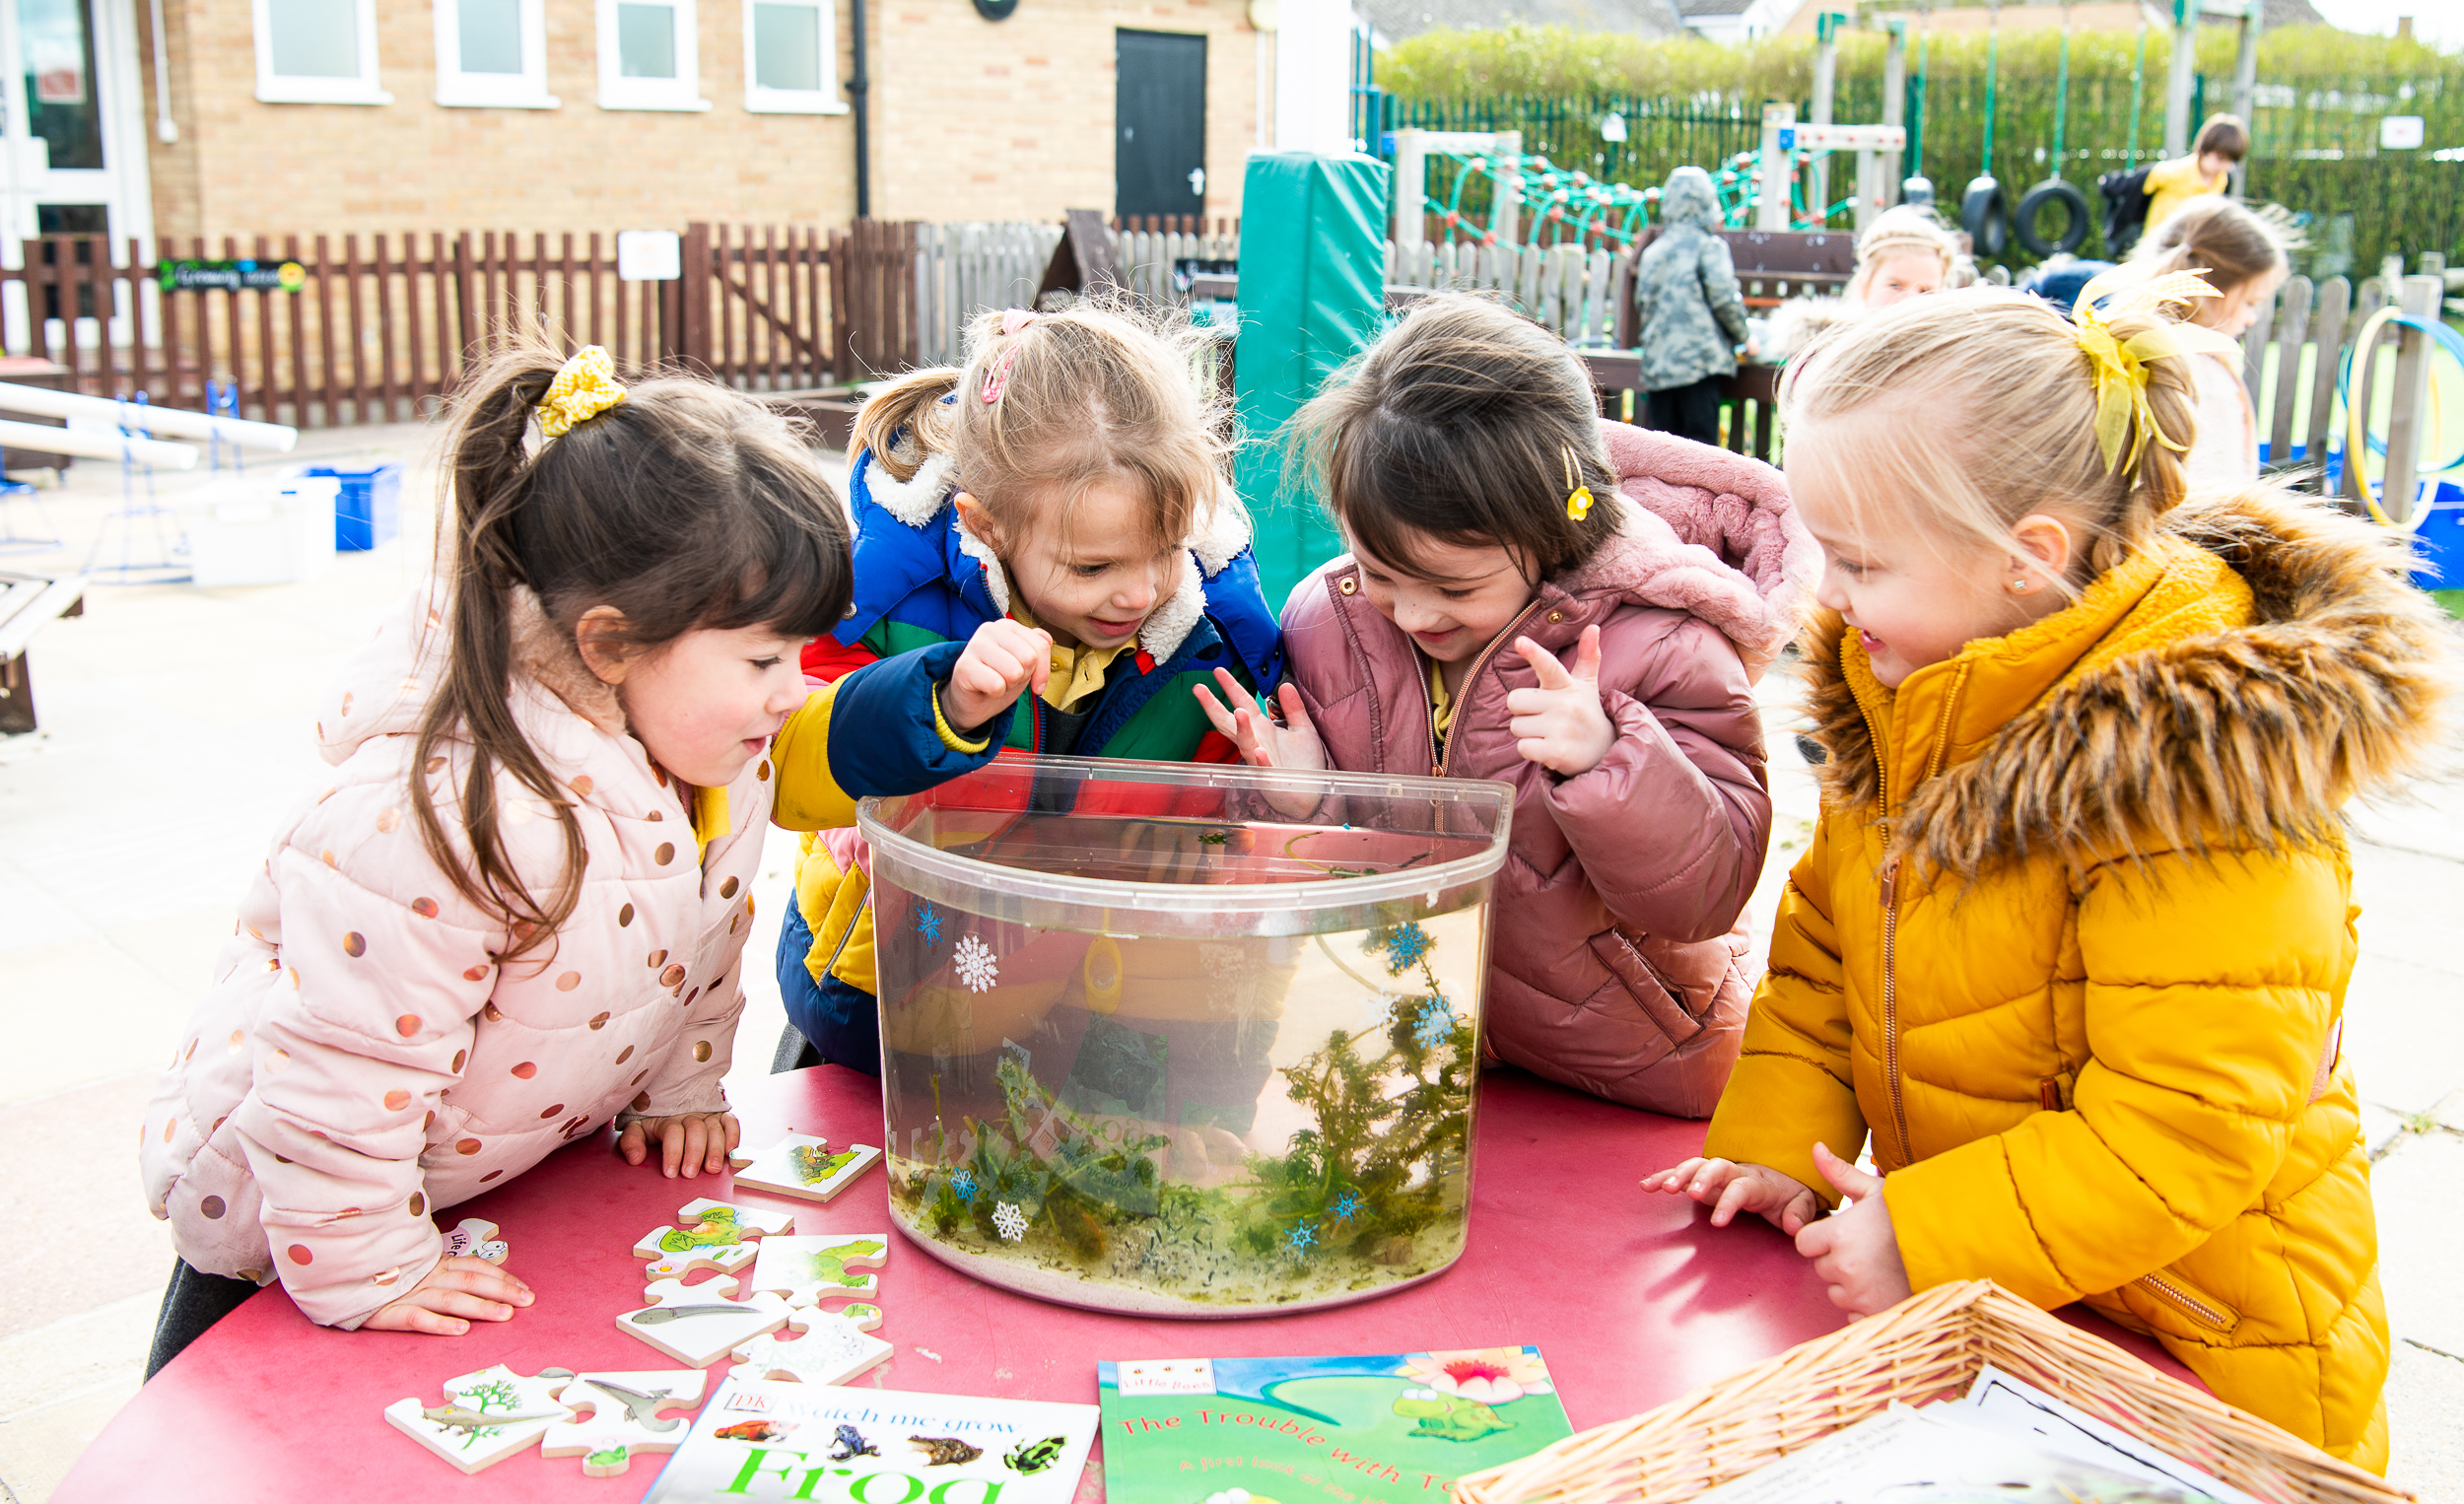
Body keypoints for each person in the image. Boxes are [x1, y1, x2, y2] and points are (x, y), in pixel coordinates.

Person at [1642, 283, 2456, 1470]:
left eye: (1862, 562)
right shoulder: (1916, 690)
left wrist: (1926, 1232)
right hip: (2024, 1309)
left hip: (2204, 1349)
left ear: (2027, 557)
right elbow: (1825, 955)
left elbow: (2186, 1131)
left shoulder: (2190, 779)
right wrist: (1776, 1140)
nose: (1828, 595)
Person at [137, 345, 1039, 1371]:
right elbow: (335, 1078)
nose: (794, 692)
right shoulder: (451, 819)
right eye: (761, 660)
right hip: (285, 1219)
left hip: (470, 1175)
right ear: (610, 644)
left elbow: (693, 944)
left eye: (798, 655)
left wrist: (682, 1090)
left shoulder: (705, 746)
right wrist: (368, 1263)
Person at [1196, 295, 1814, 1115]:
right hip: (1425, 1061)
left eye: (1454, 586)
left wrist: (1609, 759)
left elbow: (1707, 894)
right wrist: (1310, 799)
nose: (1413, 614)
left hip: (1641, 1070)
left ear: (1555, 533)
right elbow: (1327, 882)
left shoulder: (1665, 643)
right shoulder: (1330, 620)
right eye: (1381, 572)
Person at [781, 302, 1282, 1076]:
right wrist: (937, 704)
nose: (1137, 593)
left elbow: (1224, 842)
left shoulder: (1212, 642)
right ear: (988, 525)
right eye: (1092, 568)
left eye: (1165, 552)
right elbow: (791, 741)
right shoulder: (891, 599)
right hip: (887, 994)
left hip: (1085, 1014)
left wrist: (1263, 781)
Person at [2128, 194, 2299, 491]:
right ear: (2205, 296)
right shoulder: (2207, 380)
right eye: (2250, 303)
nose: (2252, 318)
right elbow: (2223, 490)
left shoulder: (2127, 352)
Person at [1630, 167, 1752, 444]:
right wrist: (1744, 336)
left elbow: (1643, 302)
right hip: (1699, 363)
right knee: (1700, 448)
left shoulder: (1653, 252)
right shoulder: (1708, 246)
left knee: (1664, 450)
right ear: (1707, 203)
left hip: (1660, 366)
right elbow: (1723, 298)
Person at [1761, 206, 1968, 364]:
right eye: (1895, 285)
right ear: (1864, 285)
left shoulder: (1950, 359)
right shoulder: (1833, 356)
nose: (1910, 300)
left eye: (1926, 291)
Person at [2143, 112, 2248, 235]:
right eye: (2220, 158)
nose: (2225, 166)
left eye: (2231, 160)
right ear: (2205, 148)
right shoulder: (2172, 172)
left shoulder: (2223, 181)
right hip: (2159, 246)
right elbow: (2130, 191)